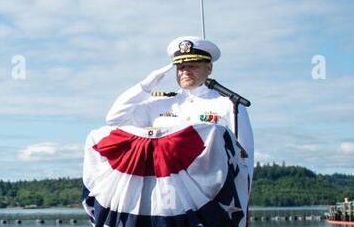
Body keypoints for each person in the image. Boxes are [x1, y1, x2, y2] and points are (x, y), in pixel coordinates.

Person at [106, 35, 253, 174]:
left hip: (212, 194)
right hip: (166, 192)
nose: (185, 72)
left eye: (192, 66)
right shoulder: (160, 104)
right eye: (181, 67)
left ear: (209, 68)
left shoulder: (229, 105)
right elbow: (115, 119)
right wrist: (144, 87)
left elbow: (245, 159)